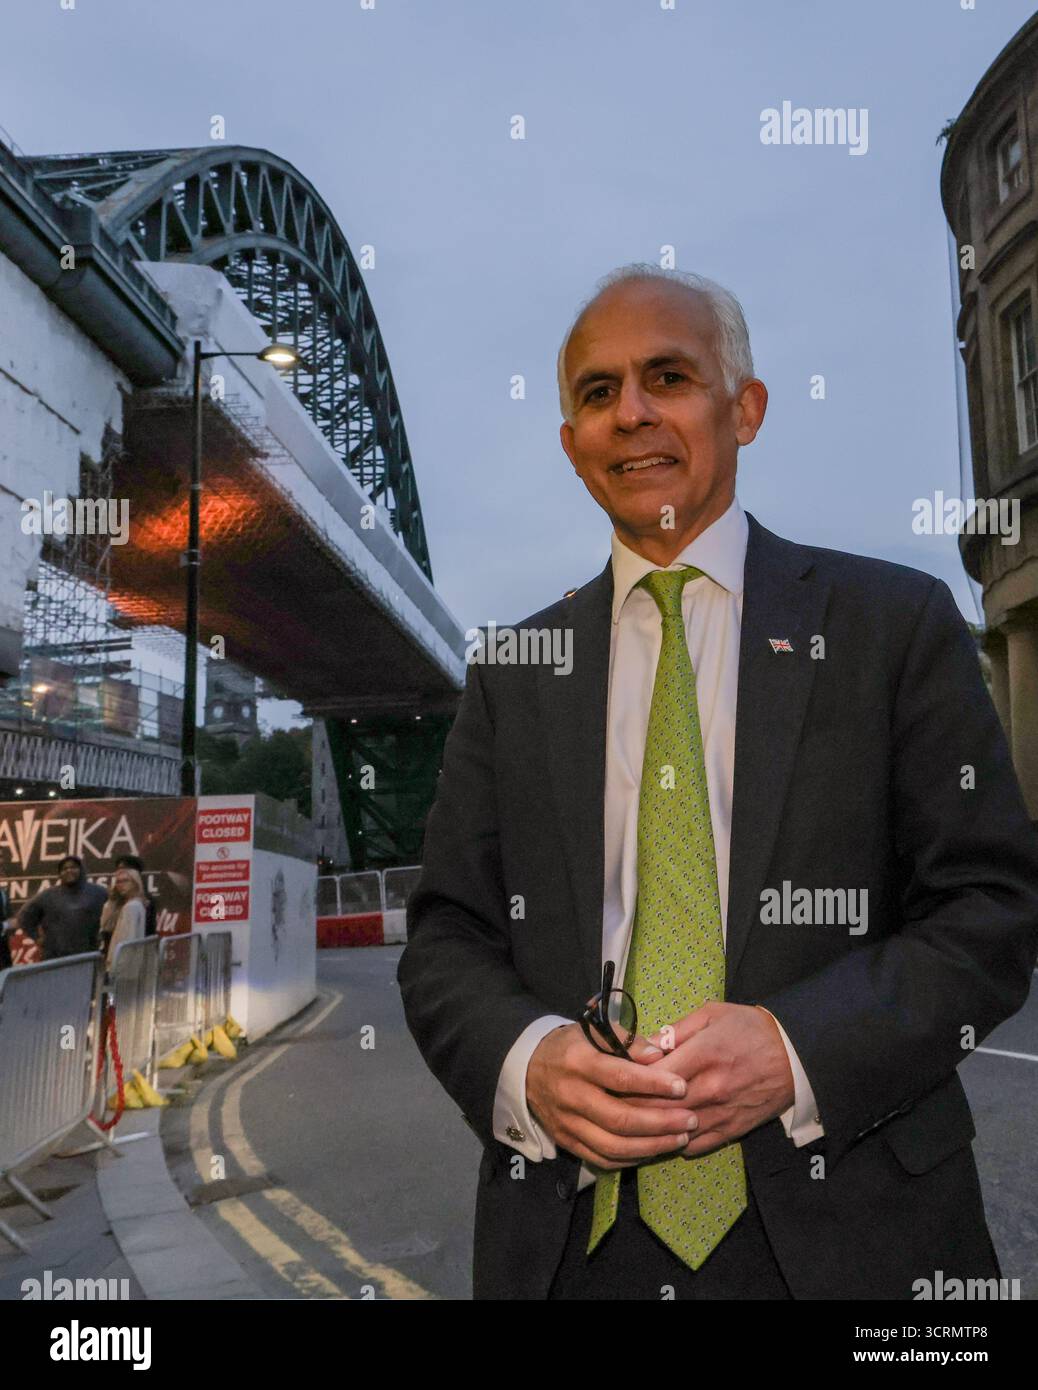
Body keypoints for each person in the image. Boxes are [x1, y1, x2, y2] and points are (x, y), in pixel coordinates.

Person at [397, 264, 1038, 1301]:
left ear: (746, 409)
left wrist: (797, 1048)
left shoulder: (893, 626)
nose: (632, 413)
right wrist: (529, 1060)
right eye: (598, 394)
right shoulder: (514, 673)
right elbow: (444, 937)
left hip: (858, 1235)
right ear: (571, 446)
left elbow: (993, 909)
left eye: (668, 376)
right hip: (571, 1246)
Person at [18, 855, 108, 962]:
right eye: (64, 869)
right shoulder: (48, 895)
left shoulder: (99, 892)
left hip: (87, 956)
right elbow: (24, 916)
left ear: (82, 870)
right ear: (59, 874)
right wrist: (37, 938)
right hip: (55, 957)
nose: (68, 870)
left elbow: (115, 914)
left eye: (73, 867)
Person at [99, 865, 147, 970]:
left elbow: (128, 940)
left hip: (123, 965)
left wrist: (119, 965)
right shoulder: (133, 904)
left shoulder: (131, 906)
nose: (120, 885)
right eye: (118, 882)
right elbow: (106, 926)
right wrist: (112, 901)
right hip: (127, 963)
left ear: (135, 883)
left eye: (125, 881)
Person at [114, 854, 157, 937]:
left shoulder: (144, 901)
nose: (120, 873)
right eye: (118, 869)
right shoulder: (116, 898)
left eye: (125, 869)